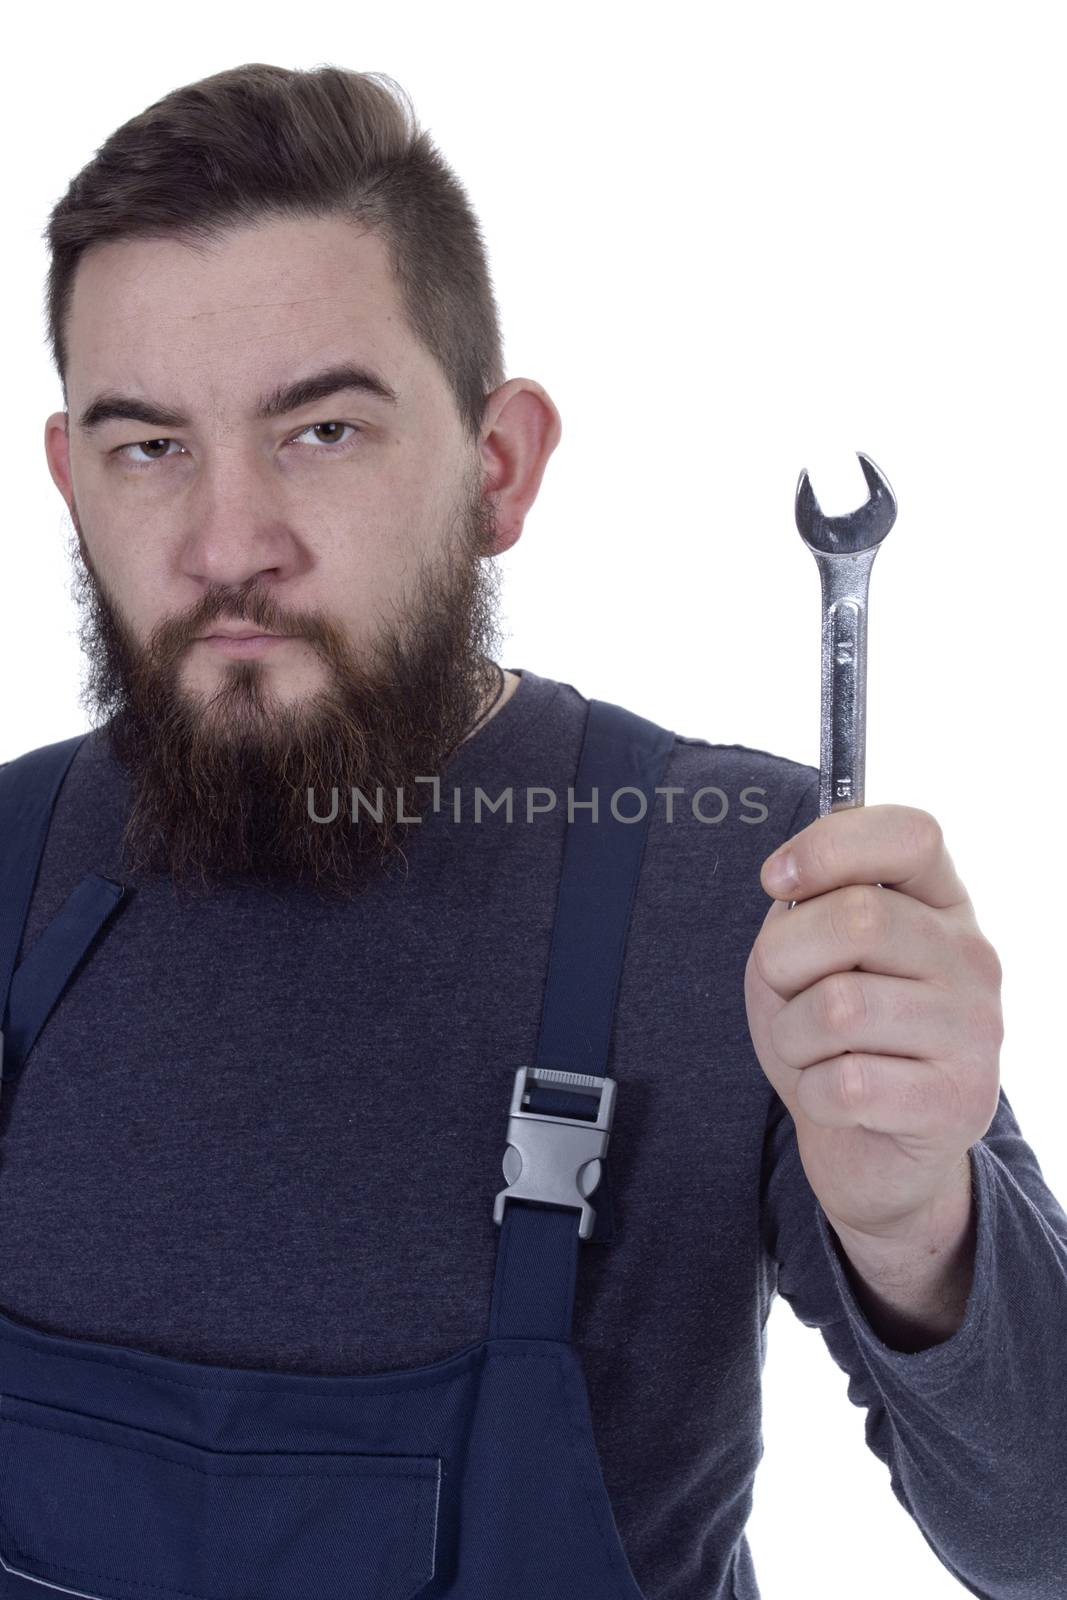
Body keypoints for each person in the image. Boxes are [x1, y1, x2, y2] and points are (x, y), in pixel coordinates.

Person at [0, 62, 1063, 1600]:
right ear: (71, 481)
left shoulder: (734, 875)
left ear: (499, 468)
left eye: (322, 432)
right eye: (148, 446)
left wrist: (920, 1223)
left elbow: (1045, 1539)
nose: (229, 545)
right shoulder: (15, 858)